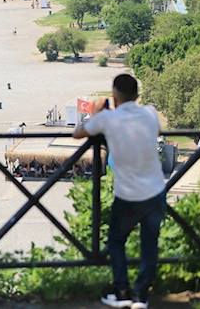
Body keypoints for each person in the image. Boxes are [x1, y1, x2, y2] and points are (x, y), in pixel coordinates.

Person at [73, 74, 166, 309]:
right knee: (150, 245)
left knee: (116, 241)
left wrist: (96, 113)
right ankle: (141, 295)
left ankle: (122, 291)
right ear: (137, 96)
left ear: (114, 97)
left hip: (128, 195)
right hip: (156, 190)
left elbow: (77, 133)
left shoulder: (107, 119)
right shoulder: (150, 113)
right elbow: (155, 132)